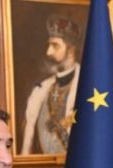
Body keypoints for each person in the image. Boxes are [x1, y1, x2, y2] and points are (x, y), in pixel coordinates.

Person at [21, 15, 81, 154]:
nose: (48, 52)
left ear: (71, 50)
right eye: (49, 45)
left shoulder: (88, 88)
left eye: (55, 46)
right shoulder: (40, 90)